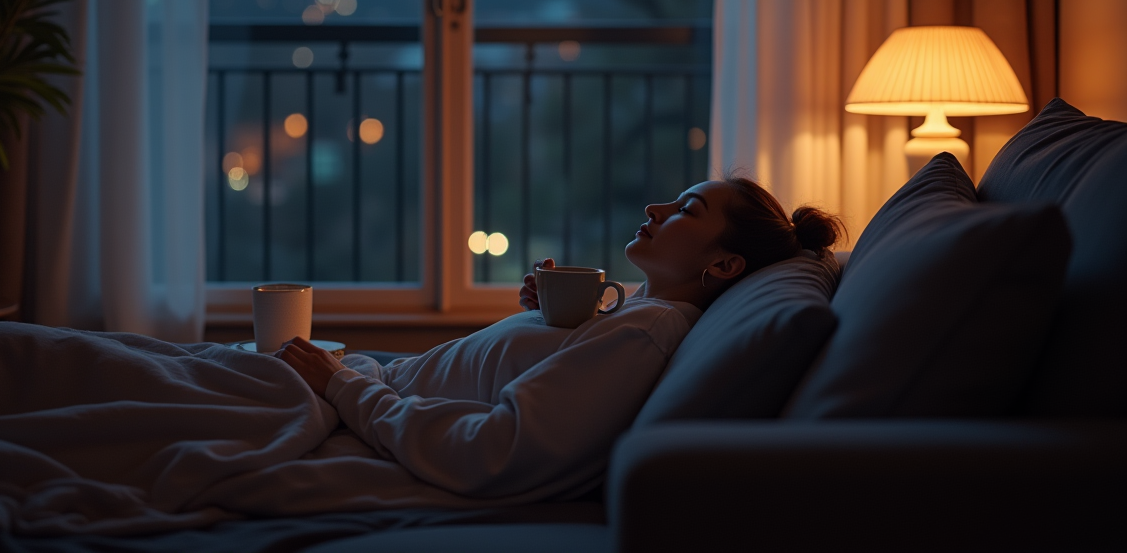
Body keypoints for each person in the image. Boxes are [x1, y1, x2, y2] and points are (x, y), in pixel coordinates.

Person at [276, 174, 843, 496]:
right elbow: (568, 369)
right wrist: (546, 320)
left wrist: (344, 388)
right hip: (369, 386)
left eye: (686, 211)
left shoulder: (650, 330)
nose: (655, 205)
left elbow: (494, 450)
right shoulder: (637, 309)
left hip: (355, 407)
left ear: (723, 266)